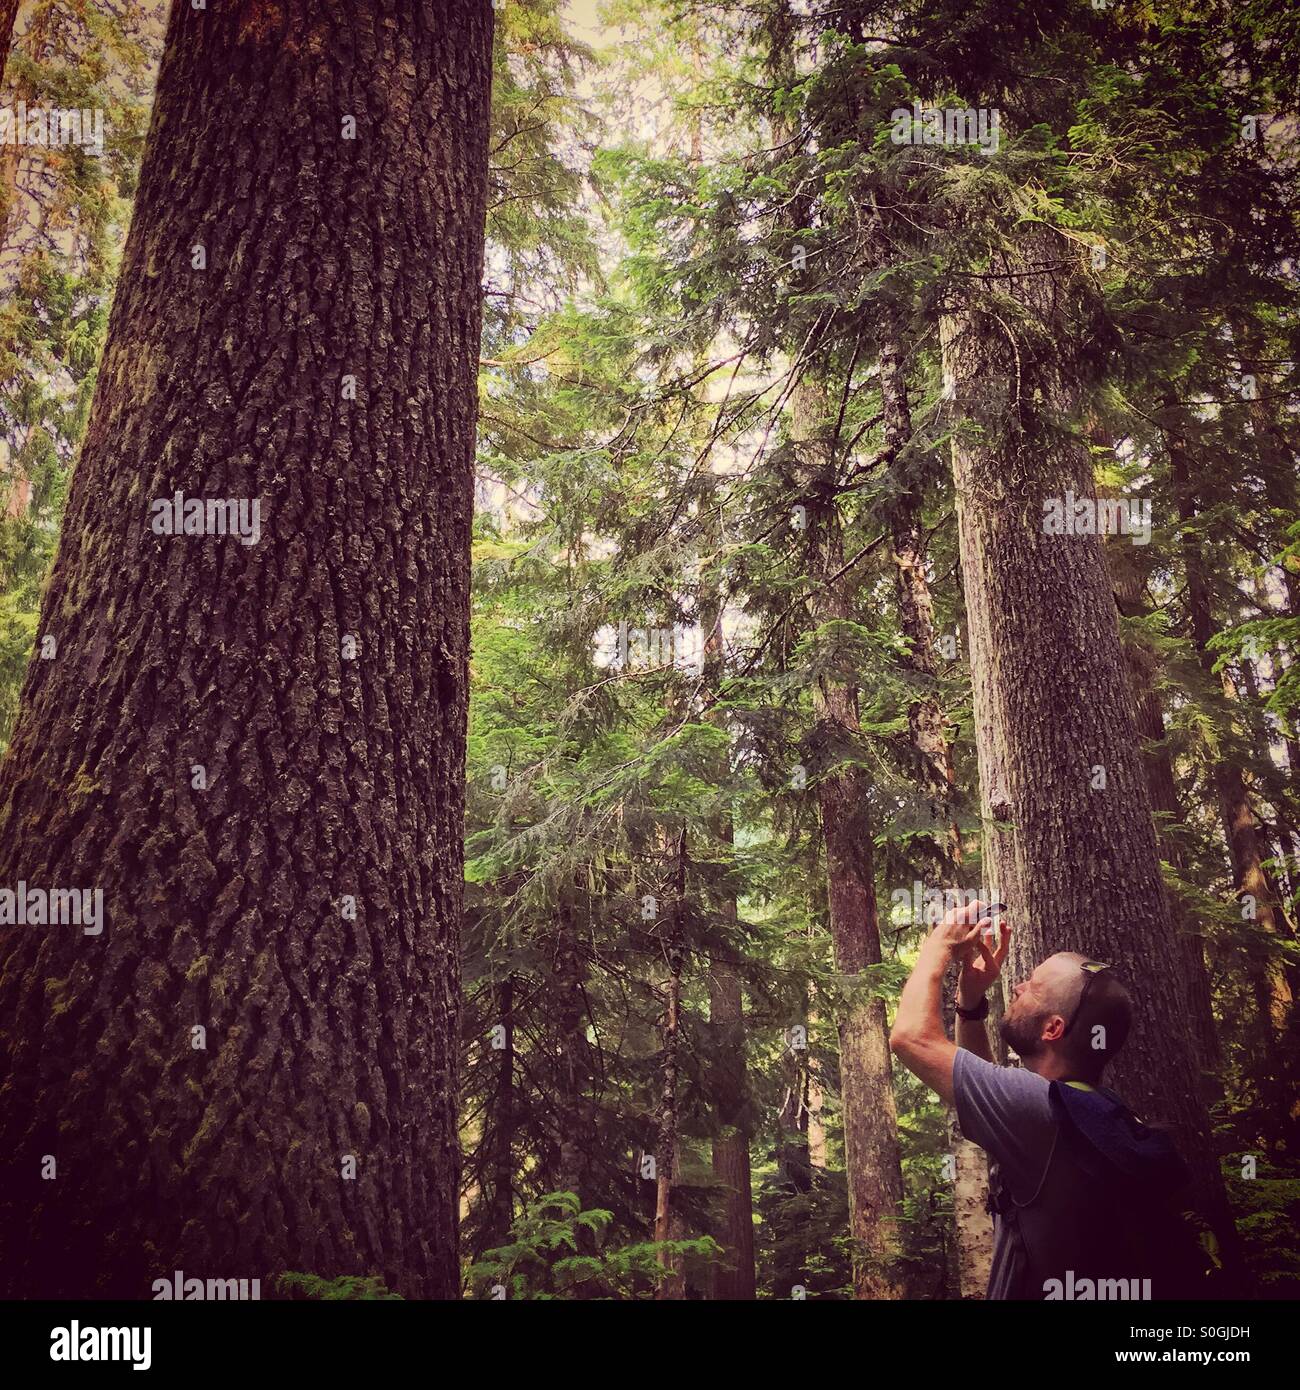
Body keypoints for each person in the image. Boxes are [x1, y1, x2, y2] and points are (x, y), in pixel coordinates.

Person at [889, 900, 1195, 1300]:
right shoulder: (1098, 1111)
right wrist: (970, 1006)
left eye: (1032, 986)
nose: (1016, 986)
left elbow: (910, 1037)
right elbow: (994, 1095)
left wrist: (938, 946)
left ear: (1053, 1028)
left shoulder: (1038, 1110)